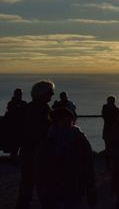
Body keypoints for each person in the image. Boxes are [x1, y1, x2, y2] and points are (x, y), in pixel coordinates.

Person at [34, 106, 97, 208]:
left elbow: (88, 165)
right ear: (57, 121)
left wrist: (90, 188)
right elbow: (40, 168)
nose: (69, 123)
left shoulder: (79, 139)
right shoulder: (47, 141)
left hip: (73, 187)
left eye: (70, 120)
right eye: (66, 120)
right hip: (54, 188)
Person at [16, 80, 55, 209]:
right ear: (43, 93)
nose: (53, 94)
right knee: (43, 183)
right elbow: (43, 131)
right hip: (38, 151)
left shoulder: (29, 107)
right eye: (50, 92)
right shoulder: (42, 109)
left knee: (27, 182)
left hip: (28, 150)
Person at [3, 88, 27, 162]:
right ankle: (14, 159)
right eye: (18, 94)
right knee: (15, 145)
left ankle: (18, 159)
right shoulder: (12, 103)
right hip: (14, 127)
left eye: (20, 94)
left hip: (20, 127)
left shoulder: (22, 103)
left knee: (20, 145)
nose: (20, 95)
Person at [102, 95, 119, 170]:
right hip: (114, 130)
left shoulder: (105, 108)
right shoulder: (116, 109)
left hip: (107, 129)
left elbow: (104, 116)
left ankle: (108, 164)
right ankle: (113, 164)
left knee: (107, 147)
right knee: (114, 147)